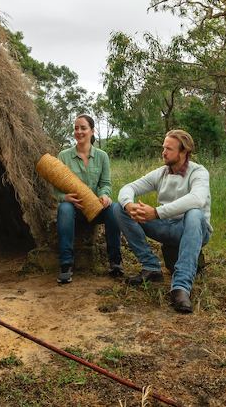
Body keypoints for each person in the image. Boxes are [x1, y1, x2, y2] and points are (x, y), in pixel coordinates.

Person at [113, 129, 211, 314]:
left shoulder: (198, 172)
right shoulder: (162, 173)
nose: (163, 152)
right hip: (166, 226)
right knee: (119, 207)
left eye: (169, 149)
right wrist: (128, 205)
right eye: (163, 148)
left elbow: (197, 199)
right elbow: (129, 187)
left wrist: (157, 213)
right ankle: (151, 267)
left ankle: (181, 288)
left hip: (191, 228)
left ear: (184, 152)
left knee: (195, 214)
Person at [54, 115, 123, 284]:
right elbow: (56, 187)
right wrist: (64, 197)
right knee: (63, 209)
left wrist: (105, 195)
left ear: (92, 131)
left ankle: (115, 260)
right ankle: (66, 265)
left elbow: (105, 183)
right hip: (74, 210)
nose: (79, 132)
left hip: (96, 208)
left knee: (114, 209)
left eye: (83, 128)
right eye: (76, 128)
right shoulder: (64, 156)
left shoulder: (102, 156)